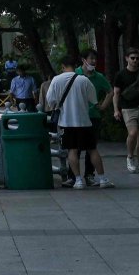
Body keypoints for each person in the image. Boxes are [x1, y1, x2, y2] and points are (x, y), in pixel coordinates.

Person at [44, 52, 112, 189]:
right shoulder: (83, 80)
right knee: (92, 150)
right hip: (85, 121)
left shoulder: (56, 80)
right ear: (75, 66)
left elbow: (50, 101)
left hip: (66, 122)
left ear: (62, 66)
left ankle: (78, 180)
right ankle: (103, 179)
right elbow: (93, 100)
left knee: (72, 151)